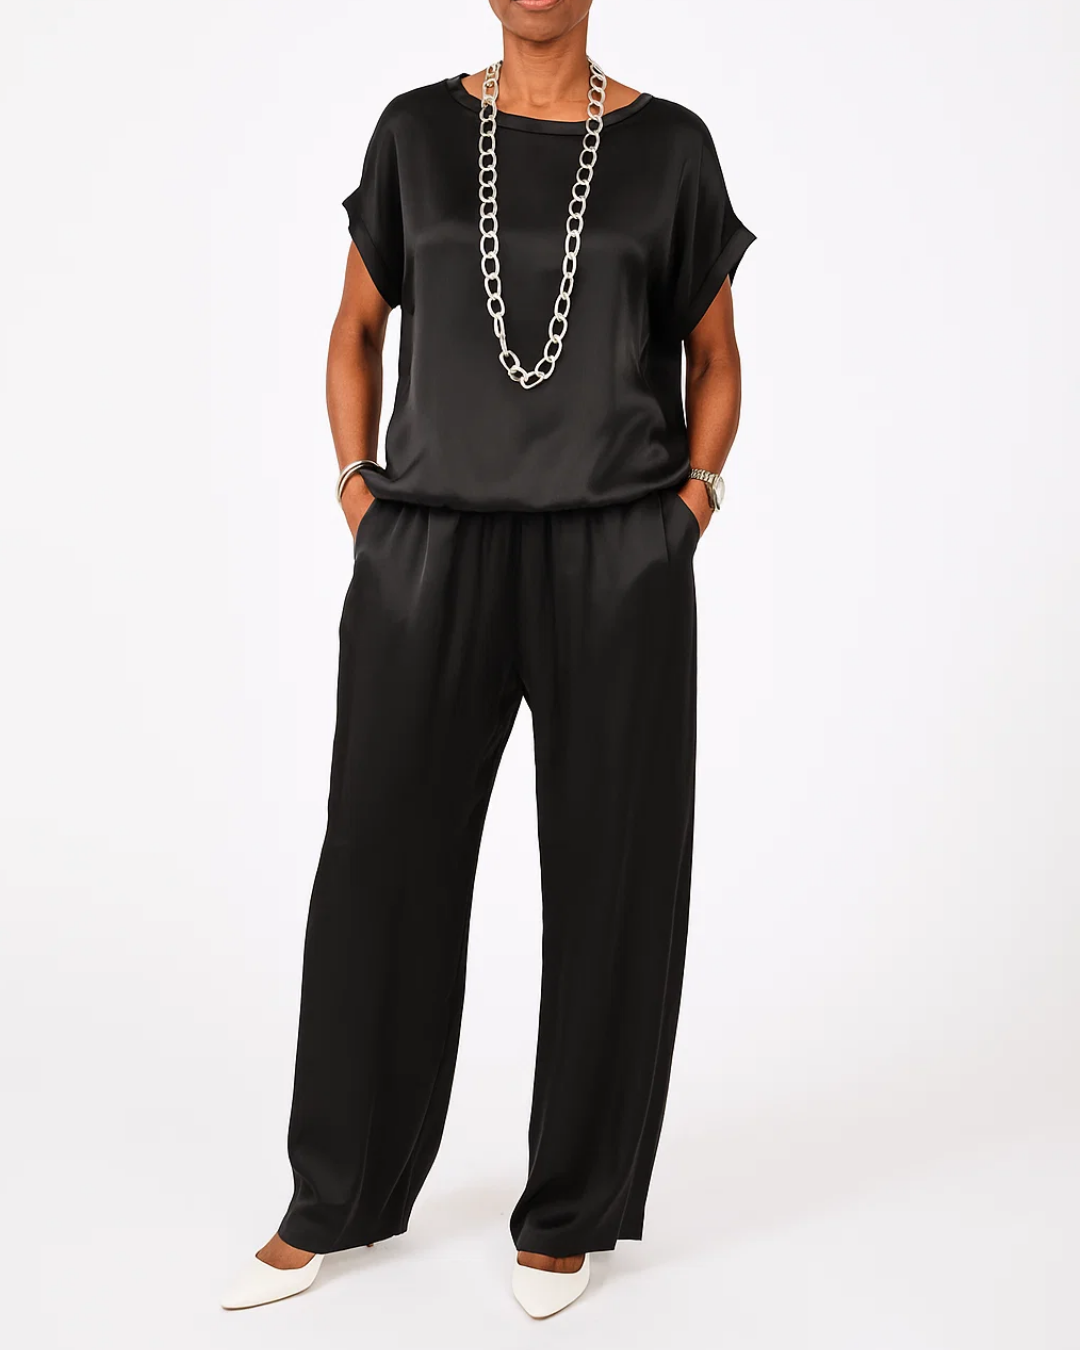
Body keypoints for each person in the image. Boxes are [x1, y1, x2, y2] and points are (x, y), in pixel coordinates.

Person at [221, 0, 754, 1320]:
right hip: (431, 547)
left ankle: (569, 1209)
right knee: (377, 866)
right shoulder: (415, 134)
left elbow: (716, 358)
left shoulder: (672, 149)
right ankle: (334, 1191)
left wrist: (686, 513)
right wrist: (362, 496)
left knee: (613, 875)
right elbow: (355, 328)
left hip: (616, 550)